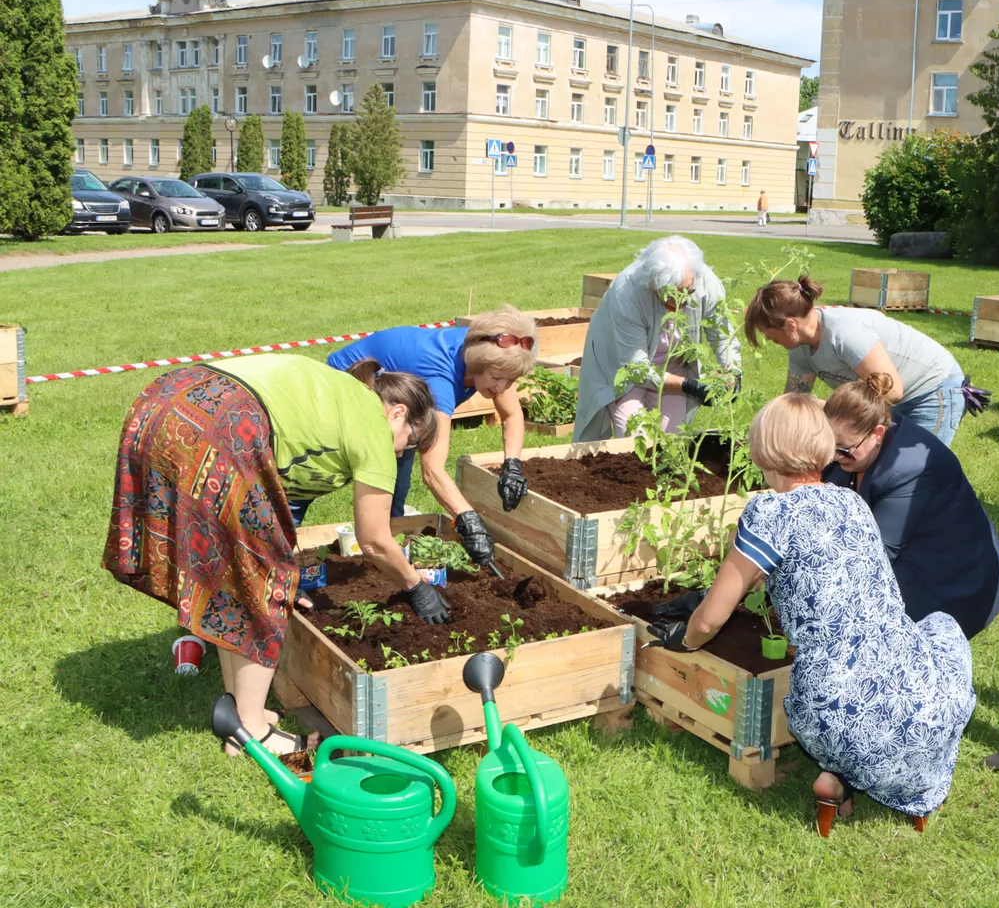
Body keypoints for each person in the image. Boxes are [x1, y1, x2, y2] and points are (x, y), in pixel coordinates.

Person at [648, 394, 974, 835]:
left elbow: (710, 621)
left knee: (831, 694)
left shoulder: (768, 512)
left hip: (831, 707)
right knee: (940, 628)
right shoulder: (851, 502)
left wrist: (683, 639)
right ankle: (843, 775)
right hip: (920, 704)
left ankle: (839, 766)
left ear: (763, 449)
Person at [104, 355, 451, 758]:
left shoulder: (341, 395)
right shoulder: (373, 424)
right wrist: (415, 585)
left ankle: (240, 709)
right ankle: (252, 733)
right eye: (408, 442)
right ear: (397, 413)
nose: (400, 452)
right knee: (264, 580)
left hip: (167, 400)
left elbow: (283, 504)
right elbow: (373, 539)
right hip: (225, 422)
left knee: (230, 573)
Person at [323, 307, 542, 569]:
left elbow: (511, 415)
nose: (502, 389)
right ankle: (381, 550)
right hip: (345, 387)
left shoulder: (488, 351)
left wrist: (513, 466)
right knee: (380, 472)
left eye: (511, 380)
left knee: (398, 480)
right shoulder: (440, 380)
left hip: (397, 393)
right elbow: (433, 471)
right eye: (497, 379)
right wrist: (469, 521)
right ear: (475, 365)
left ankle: (388, 550)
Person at [822, 373, 999, 639]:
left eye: (842, 450)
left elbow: (876, 555)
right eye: (829, 446)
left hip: (950, 579)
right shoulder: (861, 439)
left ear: (877, 433)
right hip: (914, 555)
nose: (833, 456)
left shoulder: (909, 469)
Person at [744, 276, 988, 447]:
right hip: (889, 401)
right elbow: (795, 399)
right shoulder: (799, 347)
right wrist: (767, 431)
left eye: (767, 332)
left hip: (932, 389)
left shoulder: (844, 333)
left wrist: (829, 406)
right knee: (878, 469)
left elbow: (892, 391)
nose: (766, 338)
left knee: (918, 473)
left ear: (790, 325)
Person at [574, 235, 741, 442]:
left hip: (673, 367)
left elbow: (723, 335)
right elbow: (636, 368)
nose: (678, 304)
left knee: (671, 440)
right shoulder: (627, 291)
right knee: (634, 437)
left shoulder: (706, 281)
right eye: (669, 297)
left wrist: (733, 371)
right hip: (623, 366)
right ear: (652, 285)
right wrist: (690, 385)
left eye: (686, 294)